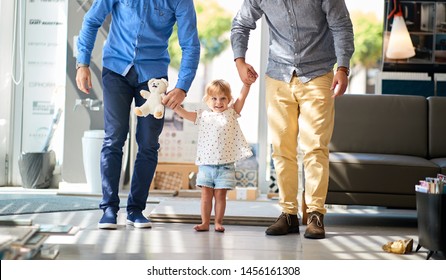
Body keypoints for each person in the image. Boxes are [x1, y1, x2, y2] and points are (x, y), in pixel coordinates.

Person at [231, 0, 354, 239]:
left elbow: (342, 25)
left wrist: (343, 68)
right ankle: (288, 214)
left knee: (315, 147)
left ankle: (316, 214)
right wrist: (240, 60)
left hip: (318, 74)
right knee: (281, 149)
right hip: (278, 76)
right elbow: (240, 24)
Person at [75, 0, 200, 229]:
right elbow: (91, 20)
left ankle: (135, 210)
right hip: (116, 70)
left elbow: (190, 44)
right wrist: (82, 63)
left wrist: (182, 86)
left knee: (148, 143)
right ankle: (109, 208)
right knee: (114, 137)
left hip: (154, 78)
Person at [174, 79, 254, 232]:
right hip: (206, 165)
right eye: (214, 98)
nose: (218, 102)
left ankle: (218, 222)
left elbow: (241, 98)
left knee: (220, 196)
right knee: (205, 196)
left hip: (225, 166)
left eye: (223, 98)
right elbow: (183, 113)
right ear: (207, 100)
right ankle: (205, 222)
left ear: (229, 100)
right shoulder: (202, 116)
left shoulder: (232, 113)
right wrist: (174, 106)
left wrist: (247, 85)